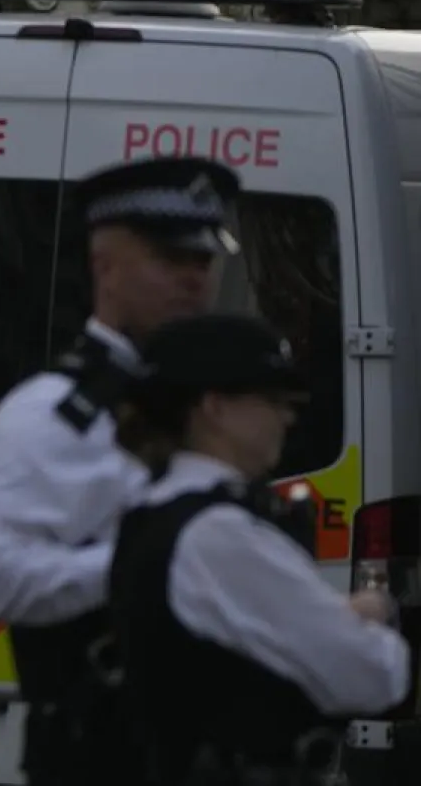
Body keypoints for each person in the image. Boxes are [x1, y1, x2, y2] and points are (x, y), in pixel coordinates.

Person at [0, 156, 241, 786]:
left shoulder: (220, 407)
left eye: (205, 260)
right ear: (104, 266)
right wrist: (135, 569)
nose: (194, 278)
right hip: (99, 755)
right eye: (169, 258)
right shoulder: (51, 414)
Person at [108, 313, 411, 785]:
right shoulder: (219, 533)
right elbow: (372, 677)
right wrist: (371, 615)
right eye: (272, 399)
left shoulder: (152, 511)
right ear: (215, 408)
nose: (288, 416)